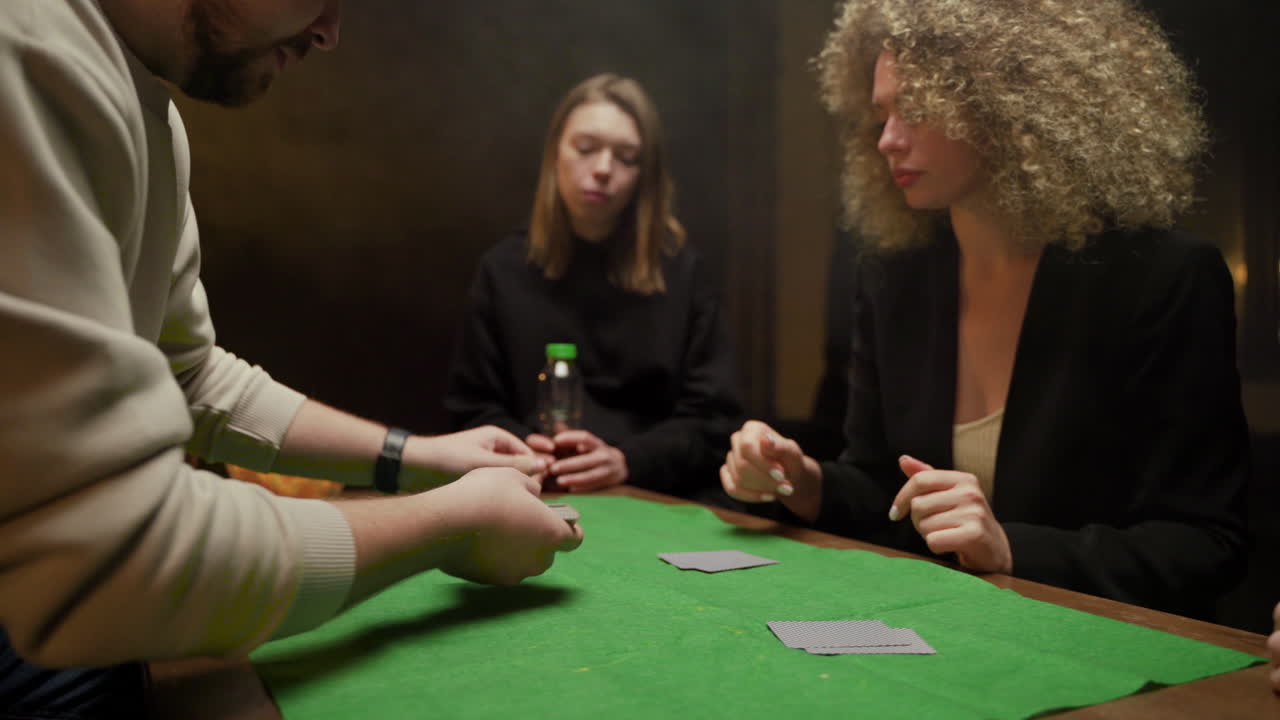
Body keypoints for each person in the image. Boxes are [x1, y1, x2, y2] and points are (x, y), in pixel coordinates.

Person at [0, 1, 582, 716]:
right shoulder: (25, 42)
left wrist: (421, 457)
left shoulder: (151, 111)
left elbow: (191, 375)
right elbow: (110, 557)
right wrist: (449, 525)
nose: (331, 33)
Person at [721, 0, 1248, 619]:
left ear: (1009, 103)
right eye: (881, 113)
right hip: (941, 634)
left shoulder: (1163, 279)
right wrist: (804, 482)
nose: (886, 139)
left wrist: (1009, 547)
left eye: (915, 109)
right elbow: (879, 487)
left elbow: (1205, 544)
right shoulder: (894, 277)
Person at [445, 74, 744, 499]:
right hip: (531, 491)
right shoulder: (502, 270)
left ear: (645, 174)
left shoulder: (683, 273)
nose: (603, 169)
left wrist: (627, 460)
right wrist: (523, 449)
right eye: (586, 149)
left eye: (626, 157)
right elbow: (469, 409)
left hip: (654, 498)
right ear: (555, 155)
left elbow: (716, 423)